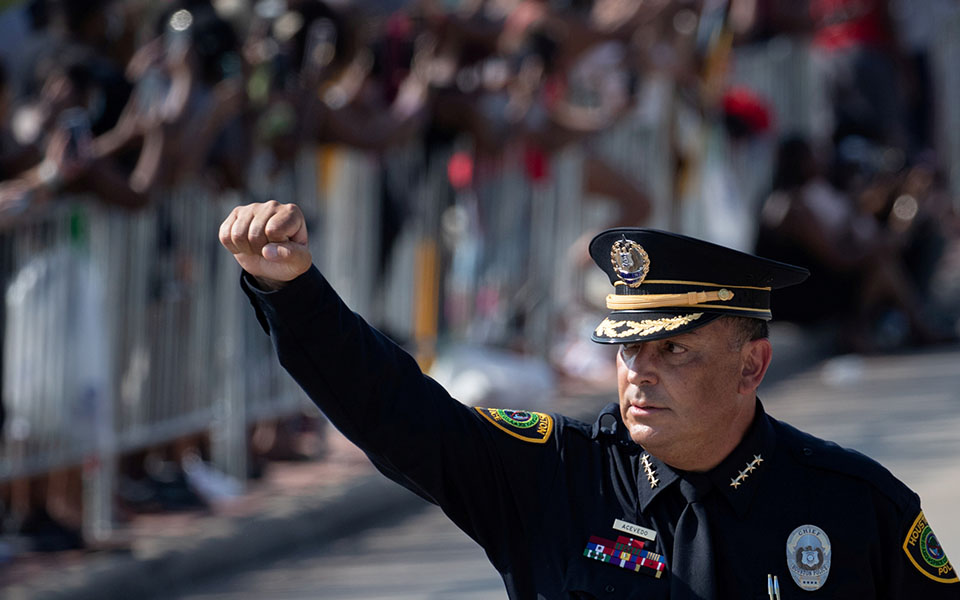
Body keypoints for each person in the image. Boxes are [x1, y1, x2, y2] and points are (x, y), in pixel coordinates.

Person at [219, 200, 957, 598]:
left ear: (751, 366)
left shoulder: (859, 509)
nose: (639, 371)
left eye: (672, 350)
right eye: (630, 348)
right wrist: (292, 293)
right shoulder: (552, 477)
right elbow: (393, 408)